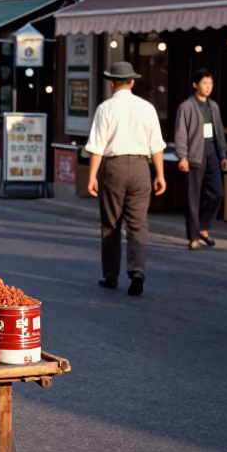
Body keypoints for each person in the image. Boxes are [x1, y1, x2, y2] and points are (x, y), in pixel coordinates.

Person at [86, 61, 166, 297]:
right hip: (142, 167)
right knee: (138, 223)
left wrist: (92, 176)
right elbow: (156, 145)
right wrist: (160, 174)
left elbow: (97, 146)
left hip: (114, 167)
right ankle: (137, 270)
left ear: (112, 83)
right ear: (132, 82)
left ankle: (110, 276)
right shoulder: (147, 108)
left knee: (111, 223)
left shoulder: (105, 108)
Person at [175, 68, 227, 250]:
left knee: (217, 193)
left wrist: (223, 154)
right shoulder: (186, 107)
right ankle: (193, 237)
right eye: (205, 83)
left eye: (210, 84)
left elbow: (219, 132)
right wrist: (182, 156)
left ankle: (203, 228)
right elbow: (180, 134)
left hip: (212, 153)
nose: (208, 87)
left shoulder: (213, 106)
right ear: (195, 85)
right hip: (194, 156)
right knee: (193, 198)